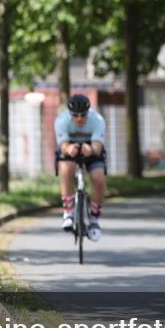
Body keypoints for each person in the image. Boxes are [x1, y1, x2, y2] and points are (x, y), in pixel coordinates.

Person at [55, 94, 107, 241]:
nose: (79, 118)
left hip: (91, 149)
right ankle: (68, 212)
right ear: (70, 114)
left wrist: (90, 150)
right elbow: (63, 145)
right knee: (66, 169)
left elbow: (97, 147)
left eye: (83, 115)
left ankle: (95, 219)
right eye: (75, 115)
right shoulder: (61, 120)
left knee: (98, 177)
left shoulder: (97, 120)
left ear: (88, 112)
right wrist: (69, 149)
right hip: (70, 148)